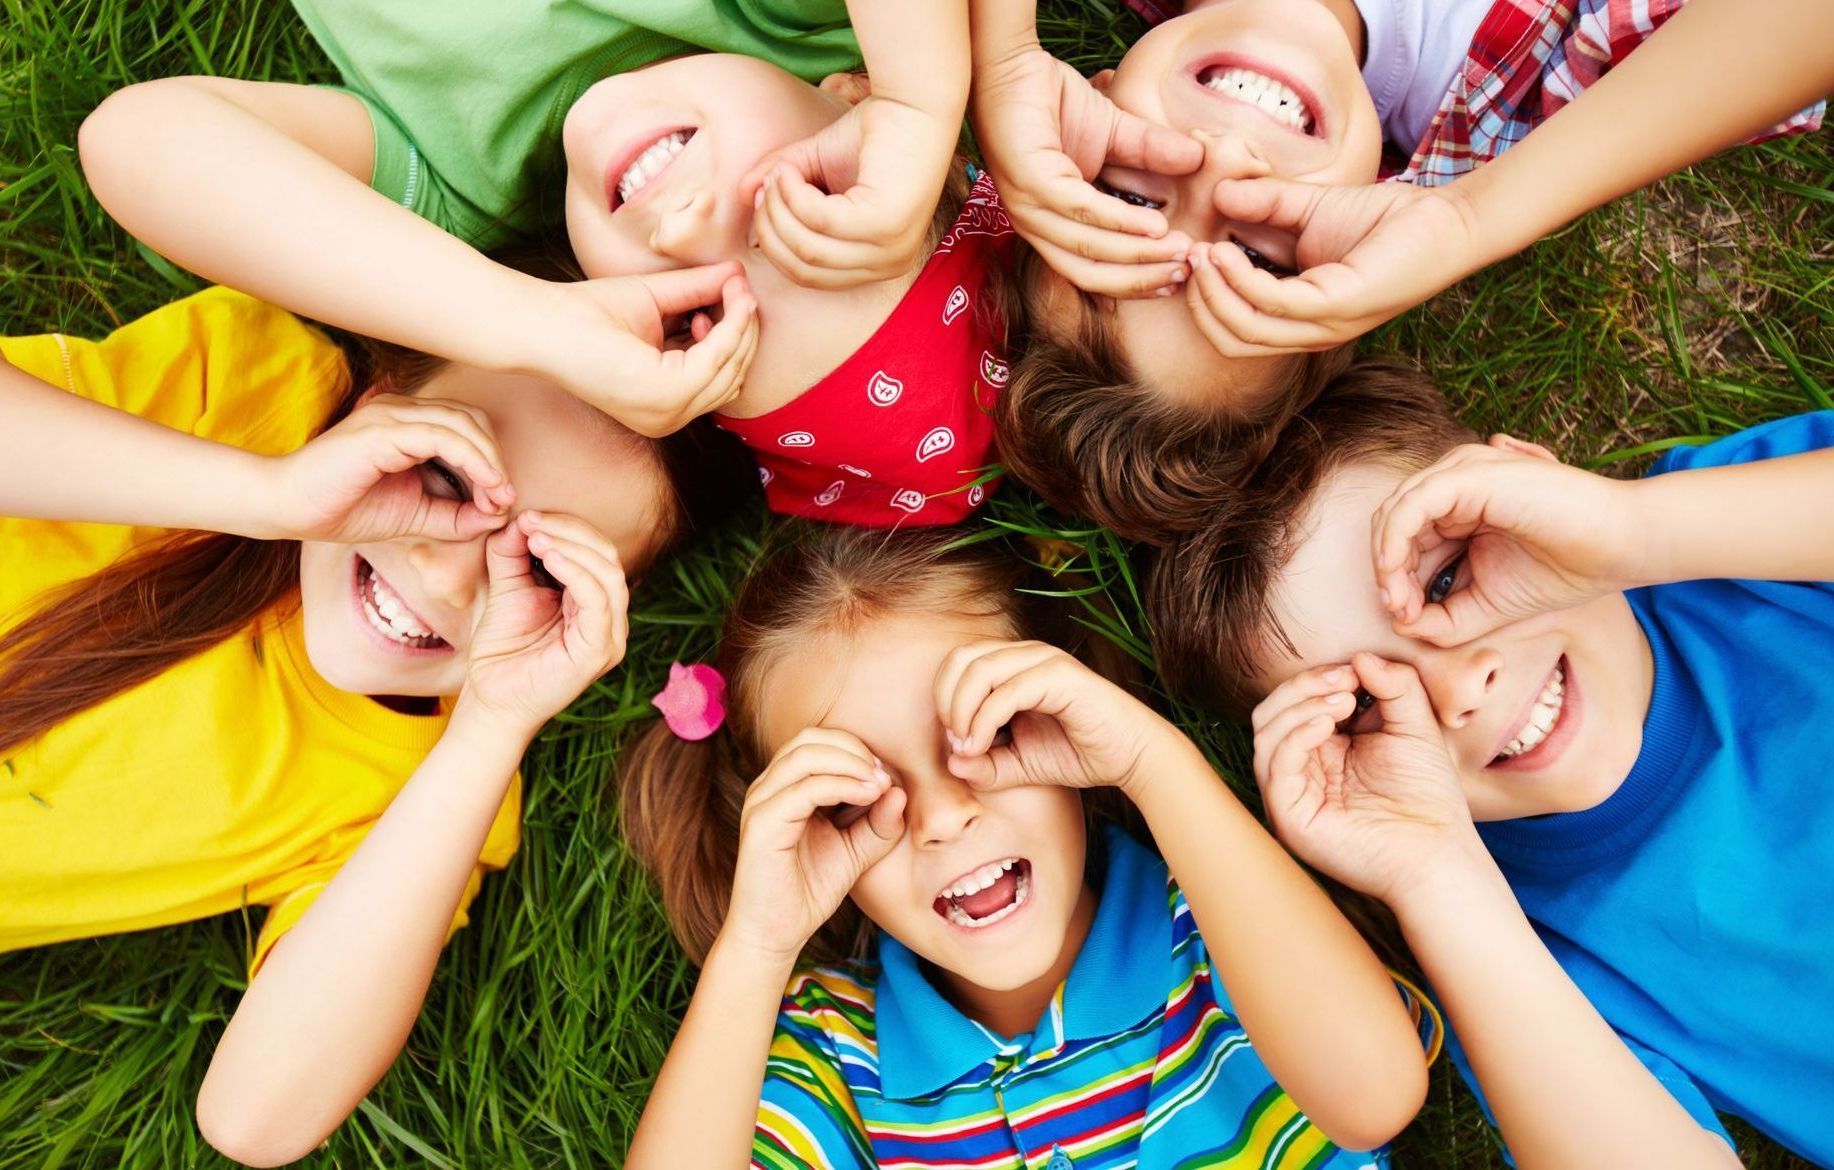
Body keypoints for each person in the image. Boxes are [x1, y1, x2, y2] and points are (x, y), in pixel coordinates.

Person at [0, 287, 747, 1167]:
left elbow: (256, 1118)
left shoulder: (425, 794)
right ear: (378, 402)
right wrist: (273, 494)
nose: (444, 571)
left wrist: (493, 726)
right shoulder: (248, 389)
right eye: (445, 478)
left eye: (539, 570)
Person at [1147, 358, 1834, 1165]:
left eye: (1446, 581)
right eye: (1367, 704)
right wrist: (1436, 879)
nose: (1458, 689)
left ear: (1531, 488)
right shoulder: (1511, 952)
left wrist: (1634, 530)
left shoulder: (1733, 541)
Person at [614, 524, 1437, 1167]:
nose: (942, 818)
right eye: (855, 797)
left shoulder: (1227, 924)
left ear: (1068, 711)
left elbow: (1379, 1098)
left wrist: (1152, 762)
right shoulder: (840, 1052)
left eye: (985, 734)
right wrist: (757, 943)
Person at [77, 1, 1014, 526]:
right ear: (848, 94)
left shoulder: (459, 184)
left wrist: (527, 323)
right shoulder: (794, 22)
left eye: (689, 315)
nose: (687, 230)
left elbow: (140, 141)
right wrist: (920, 101)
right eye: (798, 208)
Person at [971, 0, 1831, 543]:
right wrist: (1469, 219)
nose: (1217, 163)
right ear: (1346, 251)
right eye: (1252, 254)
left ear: (1086, 103)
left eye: (1129, 199)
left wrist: (998, 49)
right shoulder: (1559, 93)